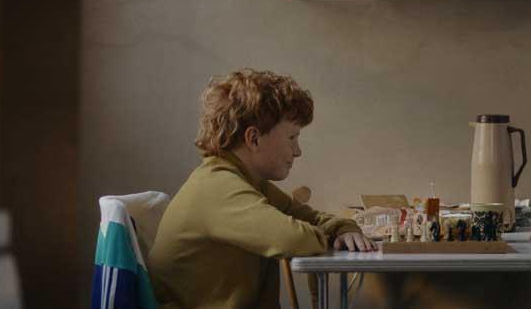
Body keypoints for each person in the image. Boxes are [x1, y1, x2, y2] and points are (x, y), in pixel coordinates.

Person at [149, 69, 374, 309]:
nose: (298, 151)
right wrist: (332, 237)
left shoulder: (247, 181)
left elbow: (311, 218)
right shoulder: (218, 187)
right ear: (254, 138)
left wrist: (344, 228)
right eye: (291, 138)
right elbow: (293, 238)